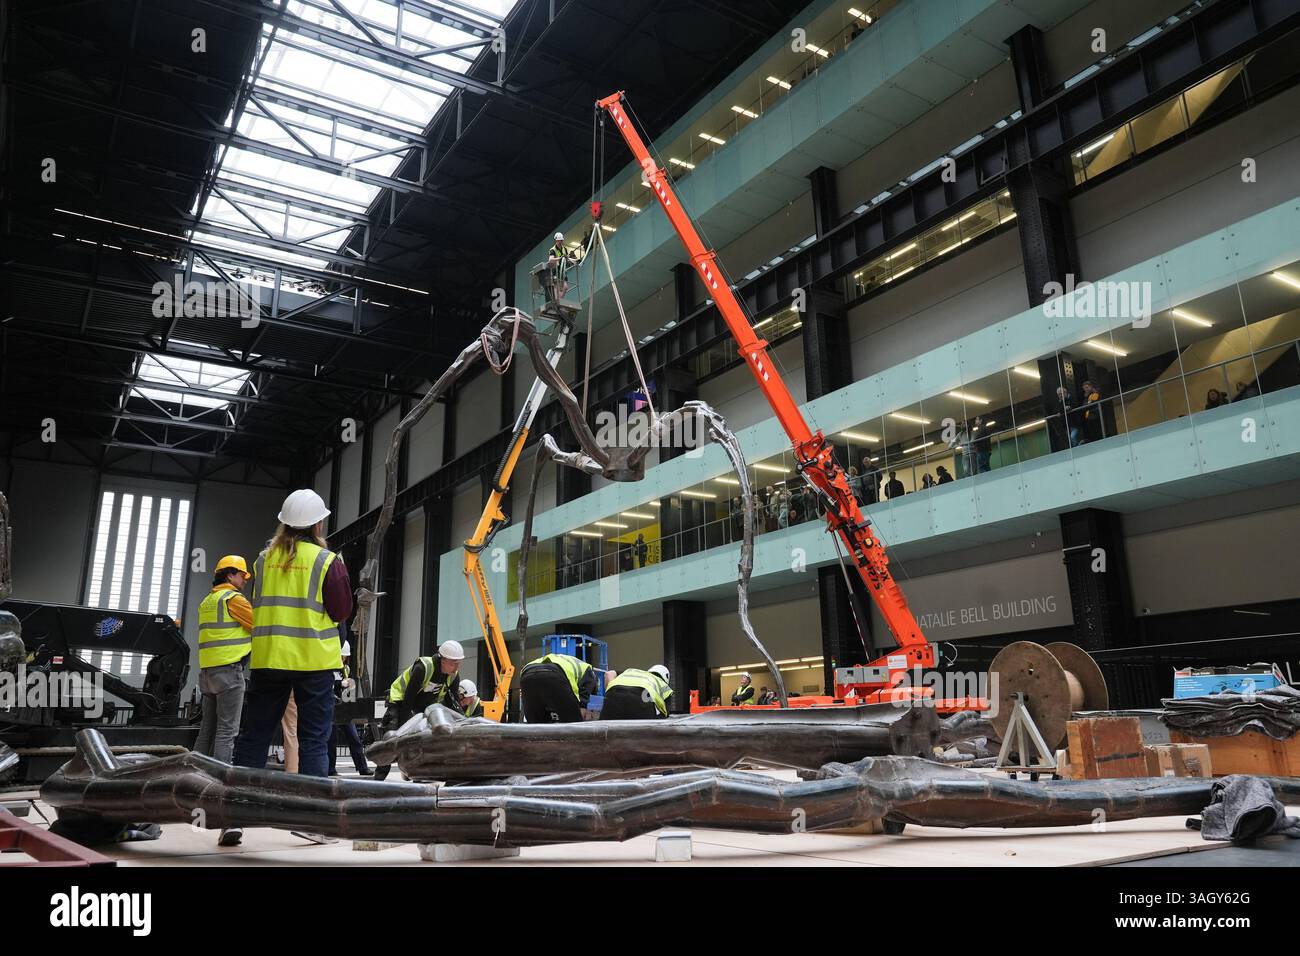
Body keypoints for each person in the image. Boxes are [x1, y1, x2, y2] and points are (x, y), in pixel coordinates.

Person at [225, 489, 352, 847]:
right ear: (317, 523)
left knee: (254, 736)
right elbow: (342, 611)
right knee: (314, 738)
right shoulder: (327, 561)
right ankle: (311, 820)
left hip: (269, 659)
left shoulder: (263, 560)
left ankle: (235, 817)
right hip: (312, 661)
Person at [194, 555, 253, 765]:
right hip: (229, 673)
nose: (245, 580)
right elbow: (259, 626)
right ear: (230, 575)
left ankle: (195, 773)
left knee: (206, 730)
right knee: (226, 732)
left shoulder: (207, 601)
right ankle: (220, 784)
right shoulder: (233, 599)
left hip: (207, 674)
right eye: (242, 575)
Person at [387, 640, 466, 723]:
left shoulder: (453, 676)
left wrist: (463, 721)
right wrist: (402, 726)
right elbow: (408, 699)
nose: (457, 668)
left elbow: (453, 703)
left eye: (458, 663)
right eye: (453, 664)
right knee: (394, 728)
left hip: (424, 704)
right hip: (400, 699)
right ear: (443, 660)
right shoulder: (422, 668)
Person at [327, 640, 370, 777]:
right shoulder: (328, 668)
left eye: (344, 657)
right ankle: (331, 769)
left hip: (344, 708)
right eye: (341, 656)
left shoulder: (346, 670)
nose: (343, 659)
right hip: (331, 706)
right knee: (331, 739)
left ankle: (362, 767)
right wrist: (339, 684)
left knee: (354, 737)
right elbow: (327, 686)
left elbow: (349, 692)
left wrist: (350, 685)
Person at [519, 651, 599, 722]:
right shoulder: (589, 670)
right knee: (572, 723)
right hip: (554, 673)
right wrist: (582, 709)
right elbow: (583, 702)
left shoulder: (568, 662)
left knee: (536, 725)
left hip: (527, 674)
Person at [600, 664, 672, 719]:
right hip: (640, 702)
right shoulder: (663, 685)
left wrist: (610, 696)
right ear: (665, 679)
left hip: (612, 698)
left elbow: (608, 674)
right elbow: (665, 714)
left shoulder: (632, 671)